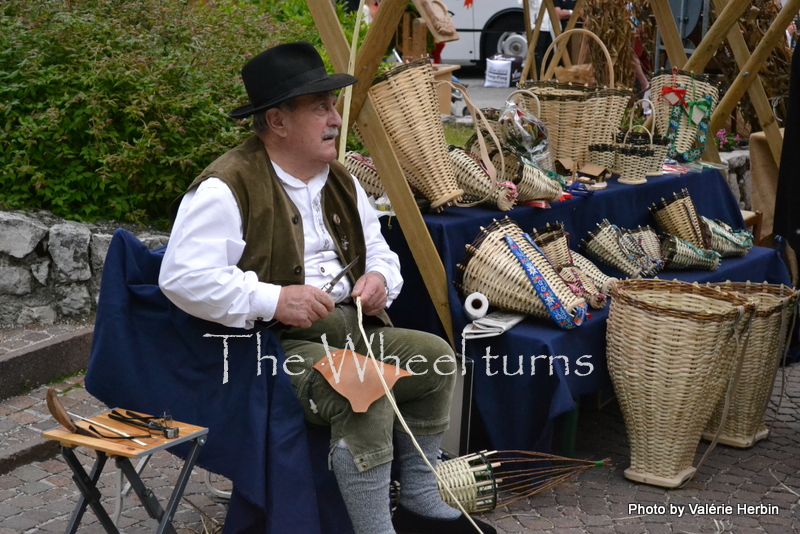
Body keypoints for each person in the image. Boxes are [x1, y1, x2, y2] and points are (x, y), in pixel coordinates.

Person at [159, 41, 496, 534]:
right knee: (365, 388)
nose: (334, 118)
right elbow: (182, 277)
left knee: (437, 358)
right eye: (320, 108)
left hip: (350, 328)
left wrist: (380, 278)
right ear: (277, 122)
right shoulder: (225, 186)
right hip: (269, 347)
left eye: (332, 106)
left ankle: (421, 498)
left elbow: (380, 252)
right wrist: (274, 298)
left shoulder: (341, 180)